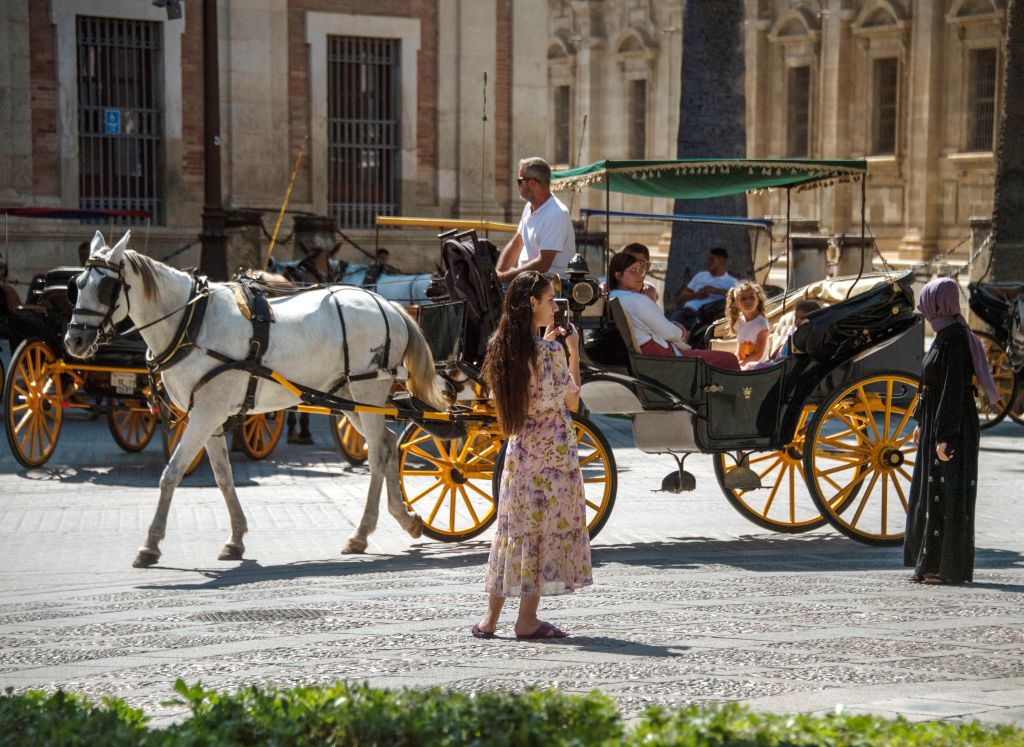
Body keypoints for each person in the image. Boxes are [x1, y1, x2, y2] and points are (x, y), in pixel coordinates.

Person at [474, 271, 591, 639]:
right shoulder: (551, 352)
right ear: (532, 304)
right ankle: (527, 619)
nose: (555, 307)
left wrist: (548, 343)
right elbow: (571, 399)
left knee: (512, 529)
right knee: (542, 532)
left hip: (520, 451)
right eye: (550, 300)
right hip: (552, 455)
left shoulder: (500, 347)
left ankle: (489, 619)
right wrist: (572, 352)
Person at [904, 277, 998, 586]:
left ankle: (948, 568)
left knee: (948, 494)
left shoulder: (955, 338)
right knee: (935, 493)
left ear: (938, 303)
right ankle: (931, 565)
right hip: (939, 422)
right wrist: (921, 421)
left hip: (952, 425)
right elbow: (930, 383)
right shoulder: (946, 334)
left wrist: (944, 436)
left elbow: (952, 389)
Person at [608, 251, 740, 370]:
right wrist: (680, 331)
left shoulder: (614, 296)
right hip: (661, 356)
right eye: (633, 272)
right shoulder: (637, 300)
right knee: (729, 359)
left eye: (640, 271)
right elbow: (670, 333)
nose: (639, 276)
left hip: (648, 353)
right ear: (618, 276)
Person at [496, 157, 575, 283]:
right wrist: (497, 275)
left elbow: (543, 264)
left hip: (550, 289)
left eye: (519, 181)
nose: (518, 185)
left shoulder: (556, 213)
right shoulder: (529, 207)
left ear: (532, 183)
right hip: (529, 283)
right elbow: (516, 244)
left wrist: (504, 277)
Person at [668, 248, 738, 329]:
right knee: (671, 326)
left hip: (706, 318)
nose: (708, 263)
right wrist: (697, 295)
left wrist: (716, 291)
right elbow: (683, 295)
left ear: (722, 261)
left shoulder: (731, 281)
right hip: (686, 312)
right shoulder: (701, 275)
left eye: (712, 260)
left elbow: (736, 297)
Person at [726, 281, 770, 369]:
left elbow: (758, 355)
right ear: (735, 303)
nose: (748, 301)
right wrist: (734, 361)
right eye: (743, 299)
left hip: (758, 367)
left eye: (752, 297)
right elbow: (739, 348)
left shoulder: (761, 323)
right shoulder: (739, 322)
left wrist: (740, 365)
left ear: (758, 300)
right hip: (743, 365)